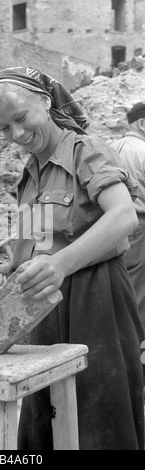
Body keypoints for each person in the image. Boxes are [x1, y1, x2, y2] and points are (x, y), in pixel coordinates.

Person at [0, 66, 145, 450]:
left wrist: (62, 264)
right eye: (4, 129)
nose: (16, 135)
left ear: (45, 102)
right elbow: (41, 241)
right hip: (43, 307)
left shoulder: (86, 149)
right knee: (45, 411)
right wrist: (12, 270)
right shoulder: (31, 171)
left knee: (99, 411)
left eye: (20, 118)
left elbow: (123, 215)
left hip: (97, 298)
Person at [111, 102, 145, 330]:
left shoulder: (109, 148)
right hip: (139, 227)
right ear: (142, 123)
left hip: (109, 227)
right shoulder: (142, 151)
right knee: (139, 292)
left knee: (120, 287)